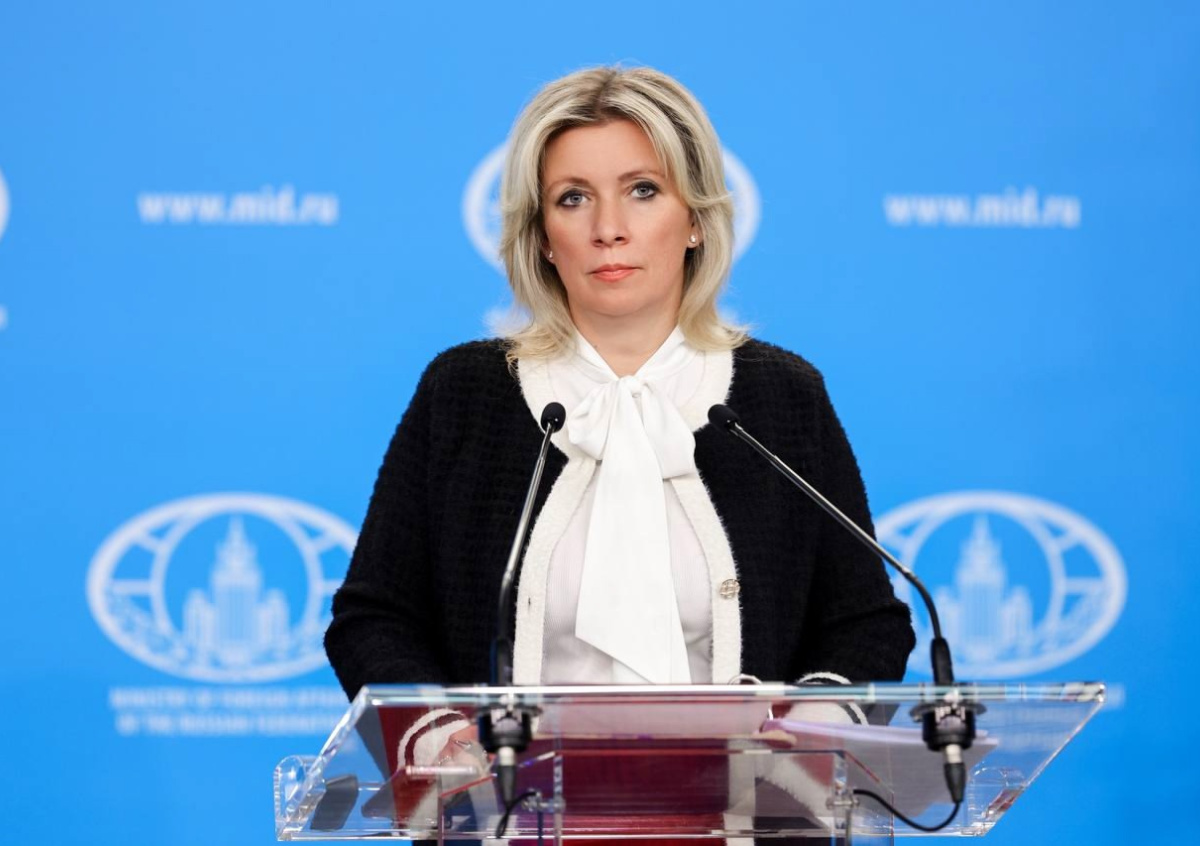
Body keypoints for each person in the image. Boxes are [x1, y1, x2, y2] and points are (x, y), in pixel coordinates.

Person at [325, 65, 914, 725]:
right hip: (508, 788)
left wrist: (811, 730)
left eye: (642, 190)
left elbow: (864, 623)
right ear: (543, 236)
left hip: (742, 787)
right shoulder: (465, 392)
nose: (608, 227)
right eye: (573, 198)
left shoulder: (782, 396)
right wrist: (440, 740)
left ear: (695, 220)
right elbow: (375, 617)